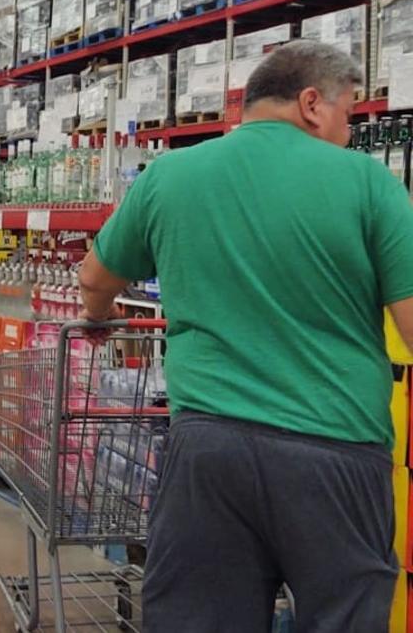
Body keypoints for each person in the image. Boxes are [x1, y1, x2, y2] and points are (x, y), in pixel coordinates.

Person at [77, 40, 413, 632]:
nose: (349, 132)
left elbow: (93, 279)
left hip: (209, 452)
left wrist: (100, 317)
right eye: (348, 113)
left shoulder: (170, 174)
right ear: (312, 103)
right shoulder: (370, 183)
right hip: (336, 453)